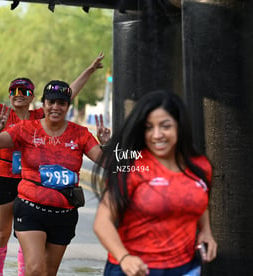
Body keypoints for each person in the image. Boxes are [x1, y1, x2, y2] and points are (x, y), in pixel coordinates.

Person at [0, 37, 105, 276]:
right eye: (13, 90)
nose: (18, 94)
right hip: (3, 178)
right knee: (2, 232)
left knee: (33, 251)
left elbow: (68, 93)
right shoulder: (3, 114)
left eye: (24, 90)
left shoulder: (40, 117)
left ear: (34, 97)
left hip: (33, 182)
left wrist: (89, 70)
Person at [0, 80, 111, 276]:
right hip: (30, 208)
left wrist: (107, 145)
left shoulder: (80, 134)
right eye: (51, 102)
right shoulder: (25, 129)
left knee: (49, 272)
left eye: (61, 103)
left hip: (64, 214)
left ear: (67, 106)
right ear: (43, 104)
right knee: (34, 269)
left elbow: (107, 163)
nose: (56, 107)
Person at [92, 90, 217, 276]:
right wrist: (124, 258)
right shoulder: (132, 167)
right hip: (135, 269)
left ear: (180, 126)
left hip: (186, 268)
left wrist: (206, 230)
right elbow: (102, 223)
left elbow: (197, 199)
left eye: (165, 126)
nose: (156, 135)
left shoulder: (200, 166)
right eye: (149, 127)